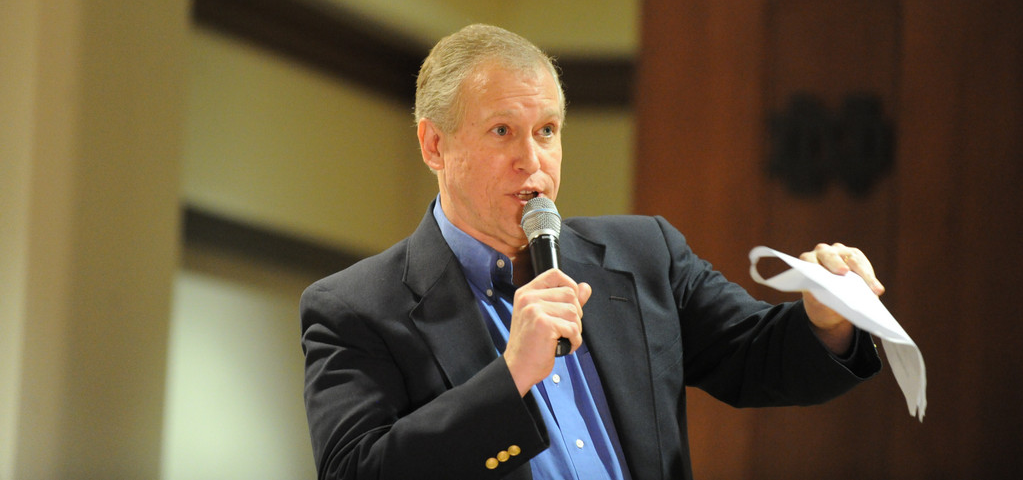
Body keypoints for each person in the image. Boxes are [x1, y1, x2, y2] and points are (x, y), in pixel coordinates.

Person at [300, 23, 883, 480]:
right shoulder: (355, 307)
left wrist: (824, 317)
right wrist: (509, 379)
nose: (533, 159)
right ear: (434, 145)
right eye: (502, 131)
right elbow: (357, 471)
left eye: (547, 130)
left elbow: (758, 356)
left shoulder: (644, 254)